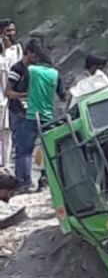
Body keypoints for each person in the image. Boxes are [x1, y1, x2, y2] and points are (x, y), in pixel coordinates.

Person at [7, 42, 65, 192]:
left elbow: (24, 88)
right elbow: (62, 96)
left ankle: (24, 182)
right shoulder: (55, 73)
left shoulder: (31, 70)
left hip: (31, 115)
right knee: (49, 150)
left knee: (25, 150)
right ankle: (46, 180)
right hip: (48, 116)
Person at [0, 19, 23, 167]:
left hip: (11, 97)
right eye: (7, 31)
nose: (10, 34)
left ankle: (6, 165)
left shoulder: (17, 50)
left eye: (12, 31)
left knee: (7, 132)